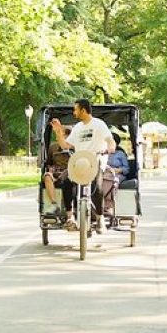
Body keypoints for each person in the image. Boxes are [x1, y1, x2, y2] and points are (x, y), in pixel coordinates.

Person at [50, 99, 115, 233]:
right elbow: (65, 145)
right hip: (79, 162)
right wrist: (58, 132)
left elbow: (110, 140)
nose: (74, 112)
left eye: (75, 109)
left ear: (83, 110)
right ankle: (70, 218)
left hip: (96, 160)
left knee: (97, 186)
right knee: (67, 183)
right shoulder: (78, 127)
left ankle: (99, 219)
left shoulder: (99, 124)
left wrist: (110, 148)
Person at [43, 127, 72, 214]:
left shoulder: (74, 147)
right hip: (56, 172)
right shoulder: (53, 147)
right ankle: (54, 204)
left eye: (60, 134)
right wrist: (50, 169)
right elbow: (48, 162)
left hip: (70, 172)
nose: (57, 136)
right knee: (47, 176)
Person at [102, 132, 129, 218]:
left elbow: (126, 169)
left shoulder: (120, 154)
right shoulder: (102, 153)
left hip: (116, 174)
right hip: (103, 173)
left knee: (113, 181)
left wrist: (115, 170)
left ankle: (109, 205)